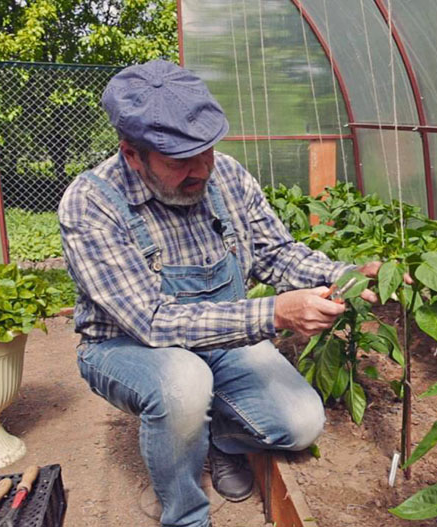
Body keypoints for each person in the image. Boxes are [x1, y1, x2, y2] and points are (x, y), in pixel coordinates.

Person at [58, 60, 384, 527]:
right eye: (179, 160)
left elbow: (277, 253)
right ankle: (185, 512)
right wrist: (274, 314)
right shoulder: (92, 204)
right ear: (133, 155)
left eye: (207, 151)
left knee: (301, 423)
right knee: (182, 385)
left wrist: (349, 273)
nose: (202, 170)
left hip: (222, 339)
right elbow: (151, 321)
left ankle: (218, 438)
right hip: (126, 346)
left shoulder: (226, 176)